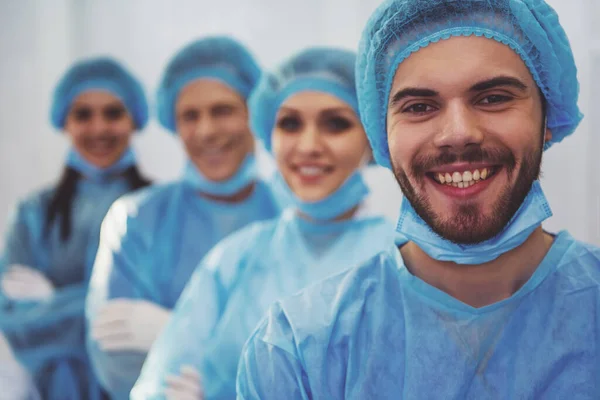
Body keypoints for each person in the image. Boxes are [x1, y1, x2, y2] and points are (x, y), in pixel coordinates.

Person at [236, 1, 600, 399]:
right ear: (382, 136)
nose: (458, 133)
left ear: (547, 119)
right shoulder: (300, 350)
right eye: (420, 107)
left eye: (493, 98)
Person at [130, 47, 397, 400]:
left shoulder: (403, 261)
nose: (308, 145)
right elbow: (161, 382)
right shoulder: (236, 257)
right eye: (289, 123)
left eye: (336, 124)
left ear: (372, 136)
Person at [85, 36, 281, 399]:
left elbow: (313, 354)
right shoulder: (135, 219)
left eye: (222, 110)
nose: (206, 130)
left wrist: (175, 333)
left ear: (253, 114)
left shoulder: (290, 217)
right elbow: (114, 356)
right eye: (190, 116)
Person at [0, 57, 151, 399]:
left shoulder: (161, 209)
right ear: (64, 121)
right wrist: (103, 306)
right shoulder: (32, 214)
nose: (99, 128)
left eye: (113, 113)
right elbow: (12, 319)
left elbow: (165, 303)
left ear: (134, 120)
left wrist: (52, 304)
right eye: (83, 114)